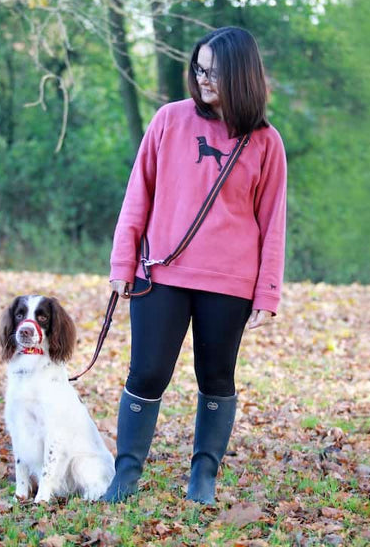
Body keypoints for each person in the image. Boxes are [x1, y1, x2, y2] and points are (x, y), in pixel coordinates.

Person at [102, 26, 287, 504]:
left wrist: (267, 292)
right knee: (145, 373)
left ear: (242, 75)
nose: (204, 80)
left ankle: (203, 478)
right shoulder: (169, 120)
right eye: (199, 69)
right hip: (159, 273)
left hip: (229, 282)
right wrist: (123, 262)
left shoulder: (266, 143)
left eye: (215, 72)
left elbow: (273, 223)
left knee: (217, 378)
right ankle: (125, 477)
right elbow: (137, 195)